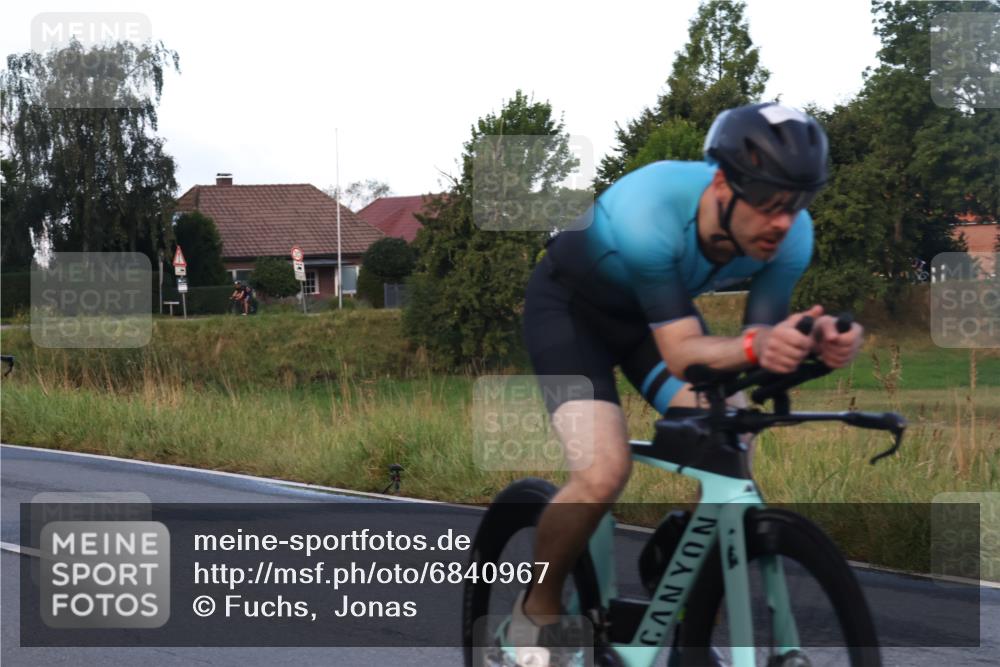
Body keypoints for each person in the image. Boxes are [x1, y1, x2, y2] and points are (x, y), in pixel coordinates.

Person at [513, 103, 865, 663]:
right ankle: (539, 605)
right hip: (572, 313)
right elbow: (682, 354)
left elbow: (759, 345)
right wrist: (757, 346)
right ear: (722, 183)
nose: (783, 222)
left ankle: (687, 615)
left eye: (796, 205)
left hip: (651, 324)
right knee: (603, 472)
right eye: (770, 204)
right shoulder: (650, 206)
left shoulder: (792, 237)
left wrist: (816, 340)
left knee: (732, 440)